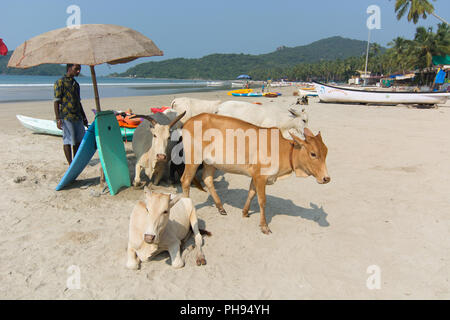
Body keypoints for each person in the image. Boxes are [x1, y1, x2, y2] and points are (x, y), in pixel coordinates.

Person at [54, 64, 89, 165]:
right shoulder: (60, 82)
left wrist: (84, 118)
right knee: (68, 141)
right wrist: (58, 119)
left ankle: (75, 162)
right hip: (66, 116)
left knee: (78, 141)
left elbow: (79, 102)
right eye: (76, 69)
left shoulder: (76, 84)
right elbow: (56, 101)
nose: (78, 71)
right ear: (69, 68)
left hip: (77, 116)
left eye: (79, 69)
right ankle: (70, 163)